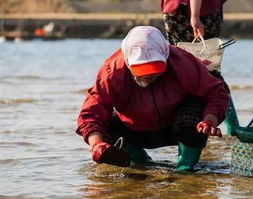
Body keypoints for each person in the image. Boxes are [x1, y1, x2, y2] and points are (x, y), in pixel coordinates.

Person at [76, 26, 229, 171]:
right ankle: (140, 162)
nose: (149, 75)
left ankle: (185, 168)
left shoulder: (182, 62)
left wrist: (210, 120)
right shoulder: (112, 71)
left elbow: (216, 92)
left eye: (155, 68)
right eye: (141, 69)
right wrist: (96, 145)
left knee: (194, 109)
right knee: (106, 124)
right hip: (134, 130)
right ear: (128, 62)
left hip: (177, 127)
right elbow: (92, 110)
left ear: (165, 55)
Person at [161, 0, 227, 45]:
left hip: (189, 11)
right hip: (201, 11)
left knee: (181, 58)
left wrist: (195, 16)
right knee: (207, 59)